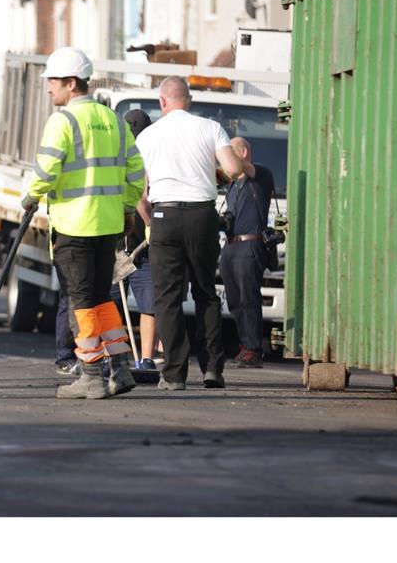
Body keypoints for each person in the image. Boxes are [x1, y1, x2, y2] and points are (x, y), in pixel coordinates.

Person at [22, 47, 145, 399]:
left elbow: (46, 171)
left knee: (81, 302)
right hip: (107, 226)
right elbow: (136, 174)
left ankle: (90, 374)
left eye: (53, 82)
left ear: (71, 83)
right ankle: (120, 368)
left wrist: (30, 197)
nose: (48, 89)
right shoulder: (114, 120)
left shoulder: (63, 121)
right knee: (99, 298)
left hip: (75, 227)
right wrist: (124, 210)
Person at [136, 76, 248, 391]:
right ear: (190, 100)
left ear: (162, 102)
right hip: (202, 215)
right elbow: (234, 169)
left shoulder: (147, 135)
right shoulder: (210, 128)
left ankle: (174, 374)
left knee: (168, 298)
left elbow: (139, 190)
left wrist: (150, 219)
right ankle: (212, 369)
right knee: (205, 292)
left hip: (164, 215)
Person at [219, 136, 275, 368]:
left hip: (249, 246)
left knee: (248, 298)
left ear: (242, 154)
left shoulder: (260, 175)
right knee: (234, 301)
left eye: (229, 153)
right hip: (231, 247)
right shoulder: (233, 185)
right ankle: (246, 345)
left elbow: (243, 168)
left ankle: (253, 349)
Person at [120, 109, 159, 371]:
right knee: (149, 305)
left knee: (110, 304)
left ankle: (136, 357)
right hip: (130, 244)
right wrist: (151, 225)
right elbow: (141, 200)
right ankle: (145, 357)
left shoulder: (119, 156)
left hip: (124, 244)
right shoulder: (146, 159)